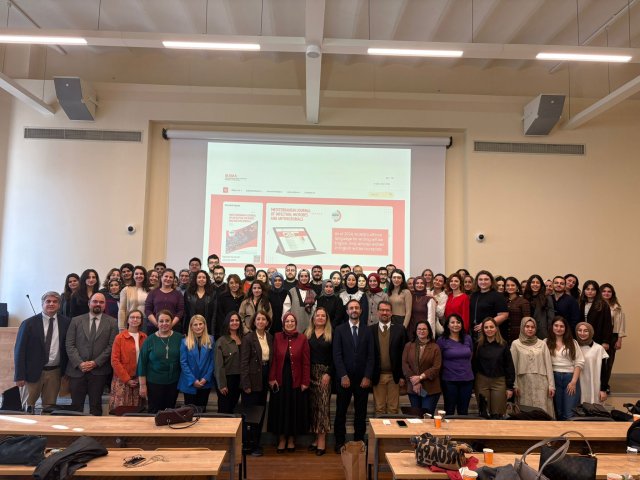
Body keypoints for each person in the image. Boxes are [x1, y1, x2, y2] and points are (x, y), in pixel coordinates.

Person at [14, 291, 70, 411]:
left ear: (59, 305)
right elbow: (19, 350)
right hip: (31, 374)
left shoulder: (66, 323)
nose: (51, 304)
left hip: (55, 373)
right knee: (27, 408)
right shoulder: (28, 323)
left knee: (49, 409)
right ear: (42, 304)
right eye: (48, 301)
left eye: (55, 302)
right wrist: (19, 375)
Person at [65, 292, 118, 415]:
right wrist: (80, 363)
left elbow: (111, 346)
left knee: (96, 407)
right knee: (76, 408)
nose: (98, 304)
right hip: (77, 371)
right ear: (89, 303)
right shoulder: (76, 320)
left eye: (101, 302)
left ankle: (95, 429)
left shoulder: (112, 322)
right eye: (95, 301)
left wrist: (95, 363)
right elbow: (69, 344)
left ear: (105, 305)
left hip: (99, 371)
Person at [332, 299, 374, 453]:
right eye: (351, 308)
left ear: (361, 311)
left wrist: (367, 376)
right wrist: (343, 375)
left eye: (357, 308)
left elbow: (371, 356)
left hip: (362, 380)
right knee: (340, 412)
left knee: (361, 413)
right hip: (344, 379)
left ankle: (359, 442)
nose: (354, 310)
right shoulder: (339, 330)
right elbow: (337, 355)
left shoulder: (368, 330)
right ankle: (339, 442)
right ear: (347, 311)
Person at [268, 312, 310, 453]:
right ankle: (281, 439)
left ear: (296, 323)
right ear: (283, 323)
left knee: (293, 411)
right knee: (281, 411)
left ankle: (291, 439)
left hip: (296, 380)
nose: (290, 323)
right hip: (280, 380)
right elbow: (274, 359)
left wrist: (305, 381)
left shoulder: (302, 338)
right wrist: (272, 378)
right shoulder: (277, 337)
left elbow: (306, 362)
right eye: (287, 321)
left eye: (292, 321)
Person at [240, 311, 273, 457]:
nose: (260, 321)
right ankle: (248, 445)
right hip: (251, 381)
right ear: (254, 322)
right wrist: (246, 384)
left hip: (264, 379)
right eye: (258, 319)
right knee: (251, 415)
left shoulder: (270, 337)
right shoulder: (248, 338)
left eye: (263, 319)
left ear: (267, 322)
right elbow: (243, 362)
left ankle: (256, 443)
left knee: (260, 413)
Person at [137, 309, 182, 413]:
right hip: (154, 383)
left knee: (170, 411)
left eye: (167, 321)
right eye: (161, 321)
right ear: (157, 323)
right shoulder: (149, 340)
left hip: (173, 382)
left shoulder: (179, 338)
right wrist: (142, 385)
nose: (164, 323)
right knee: (154, 412)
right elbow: (142, 363)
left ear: (172, 322)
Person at [510, 317, 555, 418]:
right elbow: (513, 367)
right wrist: (515, 385)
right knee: (525, 411)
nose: (530, 329)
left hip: (541, 383)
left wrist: (551, 385)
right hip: (523, 383)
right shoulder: (515, 344)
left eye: (532, 327)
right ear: (522, 327)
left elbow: (548, 365)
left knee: (542, 411)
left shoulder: (542, 344)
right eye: (527, 326)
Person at [370, 301, 406, 415]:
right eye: (382, 310)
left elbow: (404, 354)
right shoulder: (370, 330)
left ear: (391, 313)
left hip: (394, 376)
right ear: (377, 312)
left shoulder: (400, 329)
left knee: (393, 409)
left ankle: (392, 428)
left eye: (387, 310)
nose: (384, 312)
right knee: (379, 409)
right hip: (377, 376)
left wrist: (402, 376)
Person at [473, 317, 515, 417]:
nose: (489, 329)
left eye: (491, 327)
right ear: (483, 329)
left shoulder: (503, 344)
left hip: (499, 382)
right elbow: (474, 364)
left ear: (496, 328)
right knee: (484, 412)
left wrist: (510, 387)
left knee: (497, 413)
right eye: (486, 327)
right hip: (482, 381)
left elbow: (509, 366)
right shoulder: (478, 345)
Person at [305, 307, 332, 456]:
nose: (320, 318)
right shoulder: (307, 333)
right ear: (313, 318)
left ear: (326, 319)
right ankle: (316, 438)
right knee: (313, 407)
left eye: (323, 316)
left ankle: (322, 441)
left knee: (322, 408)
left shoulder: (331, 334)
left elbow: (336, 356)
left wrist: (329, 373)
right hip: (309, 373)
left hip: (324, 374)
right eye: (318, 315)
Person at [547, 316, 584, 420]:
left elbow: (579, 362)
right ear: (552, 327)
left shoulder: (573, 342)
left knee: (569, 413)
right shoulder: (546, 342)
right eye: (556, 325)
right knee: (557, 412)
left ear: (566, 328)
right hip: (553, 379)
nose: (558, 328)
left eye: (561, 326)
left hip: (570, 379)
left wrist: (573, 382)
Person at [109, 309, 147, 412]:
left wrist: (141, 378)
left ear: (141, 321)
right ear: (127, 320)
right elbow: (115, 361)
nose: (135, 319)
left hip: (138, 379)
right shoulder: (119, 338)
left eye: (138, 317)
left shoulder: (144, 337)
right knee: (121, 411)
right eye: (132, 317)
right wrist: (127, 379)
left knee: (137, 411)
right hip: (122, 380)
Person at [437, 314, 474, 415]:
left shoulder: (468, 338)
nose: (455, 325)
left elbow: (471, 355)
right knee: (449, 410)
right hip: (449, 380)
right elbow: (438, 359)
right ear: (447, 325)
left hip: (467, 380)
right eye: (452, 322)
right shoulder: (441, 340)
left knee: (463, 411)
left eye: (458, 322)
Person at [402, 321, 441, 414]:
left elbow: (436, 367)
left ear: (429, 331)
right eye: (419, 329)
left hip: (430, 389)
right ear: (415, 331)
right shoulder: (408, 346)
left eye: (424, 329)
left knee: (427, 416)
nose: (421, 331)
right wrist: (415, 382)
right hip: (413, 388)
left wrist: (420, 377)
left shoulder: (435, 347)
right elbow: (405, 364)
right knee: (415, 417)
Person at [178, 314, 215, 412]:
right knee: (189, 412)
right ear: (191, 327)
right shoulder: (185, 342)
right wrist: (193, 380)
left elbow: (212, 361)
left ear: (204, 325)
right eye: (195, 324)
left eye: (200, 324)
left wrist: (206, 378)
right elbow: (183, 363)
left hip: (204, 382)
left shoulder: (211, 340)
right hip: (189, 382)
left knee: (202, 411)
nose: (198, 327)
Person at [215, 311, 243, 414]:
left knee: (234, 408)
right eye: (232, 320)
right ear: (227, 322)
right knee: (224, 409)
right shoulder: (221, 341)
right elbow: (218, 365)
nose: (234, 322)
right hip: (227, 379)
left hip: (239, 379)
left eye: (237, 320)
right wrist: (222, 384)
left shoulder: (243, 338)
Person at [469, 270, 509, 341]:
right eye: (480, 279)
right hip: (474, 333)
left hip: (491, 333)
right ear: (477, 281)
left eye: (486, 279)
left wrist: (485, 325)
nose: (483, 282)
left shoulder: (498, 296)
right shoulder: (474, 295)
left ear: (491, 281)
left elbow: (503, 315)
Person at [575, 322, 609, 405]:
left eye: (586, 331)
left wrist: (603, 390)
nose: (582, 333)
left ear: (591, 332)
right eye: (579, 330)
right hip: (577, 385)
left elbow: (604, 372)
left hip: (593, 386)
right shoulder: (573, 347)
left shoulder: (599, 349)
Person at [144, 268, 184, 334]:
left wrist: (171, 325)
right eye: (166, 276)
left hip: (174, 328)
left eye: (171, 277)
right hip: (154, 327)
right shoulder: (153, 293)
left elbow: (180, 311)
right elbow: (147, 310)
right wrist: (157, 324)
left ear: (173, 280)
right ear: (161, 278)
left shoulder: (178, 294)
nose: (168, 279)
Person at [601, 283, 625, 389]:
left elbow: (621, 324)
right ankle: (598, 384)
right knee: (599, 362)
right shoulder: (596, 305)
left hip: (613, 336)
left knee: (609, 363)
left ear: (612, 293)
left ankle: (605, 385)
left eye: (609, 291)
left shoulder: (617, 308)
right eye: (604, 291)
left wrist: (619, 340)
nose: (606, 293)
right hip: (600, 336)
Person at [579, 280, 613, 352]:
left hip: (597, 337)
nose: (590, 291)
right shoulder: (580, 303)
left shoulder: (603, 305)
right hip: (582, 337)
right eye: (587, 289)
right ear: (584, 291)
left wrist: (606, 341)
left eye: (593, 289)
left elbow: (607, 324)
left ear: (597, 291)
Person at [183, 270, 217, 336]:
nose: (201, 279)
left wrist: (212, 332)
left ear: (207, 280)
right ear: (195, 279)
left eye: (204, 277)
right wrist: (185, 330)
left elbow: (214, 314)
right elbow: (185, 313)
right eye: (199, 277)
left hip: (207, 328)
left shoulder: (212, 294)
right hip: (191, 328)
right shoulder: (188, 293)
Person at [523, 274, 555, 340]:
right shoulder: (524, 298)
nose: (535, 284)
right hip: (526, 330)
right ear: (529, 284)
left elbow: (551, 318)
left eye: (537, 283)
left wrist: (550, 333)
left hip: (542, 332)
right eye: (533, 282)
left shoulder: (547, 298)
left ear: (541, 285)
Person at [119, 265, 150, 331]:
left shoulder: (149, 290)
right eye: (136, 274)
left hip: (146, 321)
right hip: (131, 320)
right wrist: (121, 326)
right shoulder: (126, 290)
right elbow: (122, 309)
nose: (139, 276)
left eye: (141, 274)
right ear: (133, 276)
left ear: (144, 276)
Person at [408, 276, 436, 341]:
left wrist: (431, 336)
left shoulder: (429, 299)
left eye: (422, 283)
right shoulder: (410, 297)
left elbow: (431, 320)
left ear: (425, 285)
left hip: (423, 331)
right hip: (411, 330)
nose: (419, 285)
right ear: (414, 285)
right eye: (417, 283)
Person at [504, 276, 530, 344]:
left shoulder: (523, 301)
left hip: (518, 335)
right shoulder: (502, 300)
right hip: (503, 334)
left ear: (517, 287)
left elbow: (526, 320)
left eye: (513, 285)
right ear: (505, 287)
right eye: (507, 285)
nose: (510, 287)